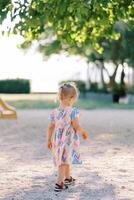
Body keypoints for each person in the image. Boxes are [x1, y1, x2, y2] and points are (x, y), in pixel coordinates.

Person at [47, 82, 88, 192]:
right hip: (68, 140)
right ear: (72, 97)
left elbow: (50, 127)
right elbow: (76, 125)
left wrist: (49, 140)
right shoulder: (73, 111)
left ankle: (68, 178)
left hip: (57, 140)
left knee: (65, 158)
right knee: (63, 161)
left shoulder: (54, 112)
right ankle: (59, 183)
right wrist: (83, 131)